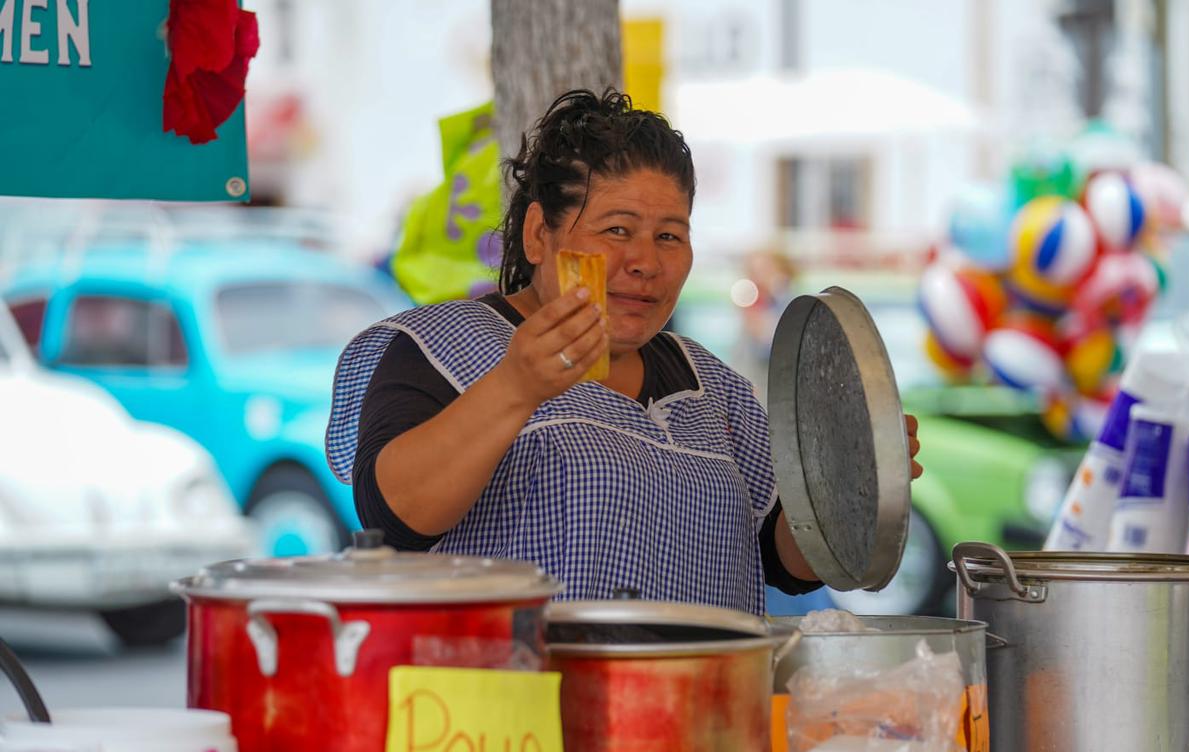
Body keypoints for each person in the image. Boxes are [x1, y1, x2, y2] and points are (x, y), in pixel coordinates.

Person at [326, 89, 922, 616]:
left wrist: (854, 471)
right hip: (514, 722)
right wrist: (516, 386)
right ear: (539, 234)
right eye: (617, 230)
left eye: (670, 235)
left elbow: (789, 561)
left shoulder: (710, 385)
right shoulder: (440, 347)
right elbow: (392, 517)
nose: (645, 261)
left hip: (698, 713)